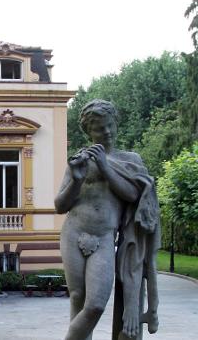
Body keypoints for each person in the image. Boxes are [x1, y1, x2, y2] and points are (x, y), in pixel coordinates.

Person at [55, 100, 159, 340]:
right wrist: (77, 180)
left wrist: (104, 165)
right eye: (100, 128)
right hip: (74, 232)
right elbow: (60, 205)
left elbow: (133, 194)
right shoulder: (80, 160)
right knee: (78, 298)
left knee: (95, 305)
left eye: (110, 125)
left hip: (103, 238)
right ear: (89, 131)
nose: (108, 132)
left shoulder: (130, 160)